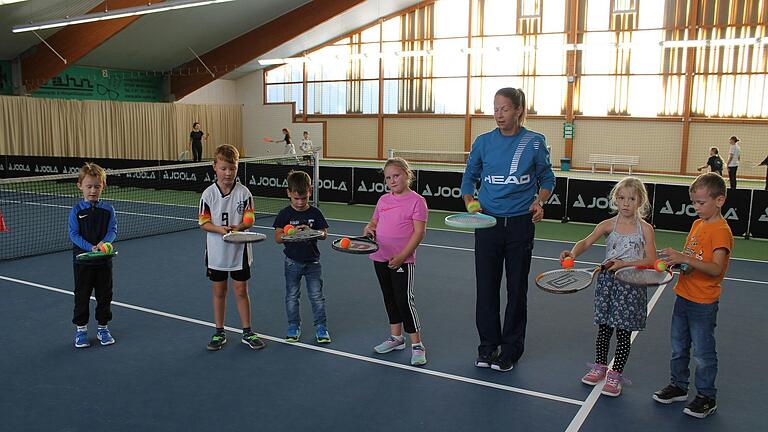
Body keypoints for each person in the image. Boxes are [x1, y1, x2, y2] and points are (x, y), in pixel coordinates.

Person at [460, 87, 555, 372]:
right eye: (495, 108)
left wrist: (540, 201)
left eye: (504, 109)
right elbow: (469, 179)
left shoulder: (535, 142)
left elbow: (547, 178)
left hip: (520, 226)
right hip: (486, 223)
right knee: (486, 288)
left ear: (518, 110)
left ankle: (510, 350)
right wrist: (470, 202)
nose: (498, 114)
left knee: (516, 289)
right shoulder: (483, 142)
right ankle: (487, 347)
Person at [560, 177, 658, 397]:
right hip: (607, 284)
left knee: (623, 333)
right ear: (615, 199)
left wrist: (624, 264)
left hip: (632, 286)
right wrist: (573, 253)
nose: (626, 203)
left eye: (631, 199)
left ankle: (615, 376)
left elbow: (651, 259)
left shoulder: (645, 229)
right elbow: (585, 242)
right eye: (621, 198)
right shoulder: (607, 225)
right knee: (604, 329)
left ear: (640, 201)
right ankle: (600, 367)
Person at [652, 172, 733, 419]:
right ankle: (679, 386)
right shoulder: (698, 225)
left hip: (703, 303)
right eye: (694, 203)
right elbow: (694, 261)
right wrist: (678, 263)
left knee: (703, 352)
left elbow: (716, 268)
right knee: (679, 347)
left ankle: (707, 397)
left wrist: (684, 258)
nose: (696, 207)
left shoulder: (721, 231)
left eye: (701, 203)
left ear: (719, 200)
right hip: (683, 296)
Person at [198, 144, 265, 351]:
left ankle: (247, 331)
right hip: (217, 254)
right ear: (215, 167)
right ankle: (219, 332)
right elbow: (203, 222)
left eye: (232, 168)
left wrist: (240, 227)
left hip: (240, 253)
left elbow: (249, 218)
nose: (228, 173)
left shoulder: (244, 193)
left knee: (241, 290)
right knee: (219, 292)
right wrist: (220, 230)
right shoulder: (208, 195)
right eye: (224, 168)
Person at [363, 157, 429, 366]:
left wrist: (402, 257)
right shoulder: (383, 200)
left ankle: (417, 346)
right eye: (388, 178)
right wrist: (369, 228)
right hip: (379, 256)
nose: (392, 181)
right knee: (389, 297)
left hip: (402, 259)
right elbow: (374, 222)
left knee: (404, 300)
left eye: (396, 175)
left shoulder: (417, 201)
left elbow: (419, 233)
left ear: (407, 175)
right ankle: (396, 338)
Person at [273, 170, 331, 343]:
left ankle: (321, 328)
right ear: (289, 193)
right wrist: (290, 235)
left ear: (310, 192)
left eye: (304, 198)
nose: (300, 203)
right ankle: (293, 327)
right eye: (296, 198)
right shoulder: (284, 214)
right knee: (292, 296)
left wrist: (311, 231)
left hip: (313, 263)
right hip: (292, 263)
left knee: (317, 297)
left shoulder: (315, 213)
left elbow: (324, 234)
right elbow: (277, 238)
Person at [69, 162, 118, 348]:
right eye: (89, 186)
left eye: (97, 186)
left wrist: (104, 244)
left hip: (104, 263)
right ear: (80, 185)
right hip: (82, 263)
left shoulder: (108, 210)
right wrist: (91, 247)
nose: (92, 190)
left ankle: (103, 328)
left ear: (103, 186)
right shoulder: (76, 210)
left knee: (105, 296)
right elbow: (74, 235)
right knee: (81, 296)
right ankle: (81, 330)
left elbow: (112, 230)